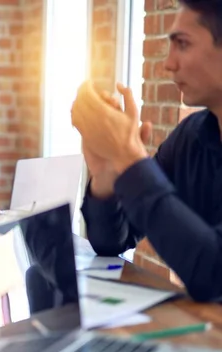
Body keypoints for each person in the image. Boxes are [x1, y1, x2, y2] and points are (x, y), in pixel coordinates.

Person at [72, 0, 222, 302]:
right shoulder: (191, 136)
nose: (168, 63)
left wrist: (129, 156)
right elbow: (110, 241)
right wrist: (106, 174)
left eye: (182, 44)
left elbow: (214, 275)